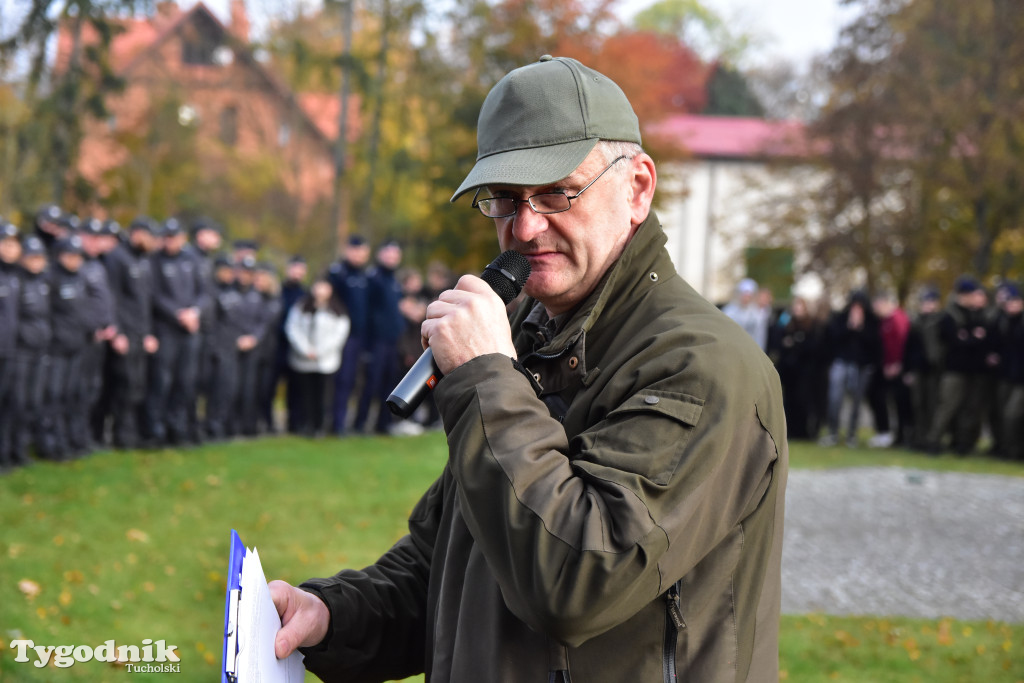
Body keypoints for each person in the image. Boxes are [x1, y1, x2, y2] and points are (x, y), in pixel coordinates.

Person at [270, 55, 788, 683]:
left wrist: (487, 377)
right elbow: (455, 564)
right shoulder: (527, 334)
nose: (525, 227)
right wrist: (330, 613)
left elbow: (576, 582)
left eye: (556, 194)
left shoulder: (702, 368)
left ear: (638, 188)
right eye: (504, 200)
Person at [144, 218, 207, 447]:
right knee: (161, 381)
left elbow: (203, 292)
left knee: (185, 381)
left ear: (183, 238)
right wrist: (178, 314)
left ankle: (177, 428)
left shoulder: (192, 260)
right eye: (166, 237)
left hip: (189, 331)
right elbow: (154, 295)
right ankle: (155, 430)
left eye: (174, 237)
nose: (170, 241)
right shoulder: (154, 261)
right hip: (166, 329)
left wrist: (194, 312)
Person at [102, 217, 159, 449]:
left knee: (137, 385)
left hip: (140, 333)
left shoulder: (144, 261)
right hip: (124, 334)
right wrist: (117, 332)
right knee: (123, 384)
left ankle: (131, 432)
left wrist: (148, 333)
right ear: (136, 233)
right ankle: (120, 435)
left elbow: (144, 302)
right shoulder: (117, 257)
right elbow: (111, 297)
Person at [284, 279, 350, 437]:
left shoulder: (336, 310)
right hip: (303, 360)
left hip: (325, 361)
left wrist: (320, 351)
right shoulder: (301, 307)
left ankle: (320, 426)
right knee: (305, 395)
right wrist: (305, 349)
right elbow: (292, 328)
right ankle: (305, 424)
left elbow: (339, 334)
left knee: (323, 396)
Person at [353, 239, 404, 435]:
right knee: (370, 384)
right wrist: (366, 345)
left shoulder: (395, 281)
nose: (392, 257)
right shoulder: (373, 278)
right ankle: (360, 424)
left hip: (393, 341)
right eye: (389, 253)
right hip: (376, 341)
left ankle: (383, 424)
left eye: (395, 254)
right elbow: (366, 312)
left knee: (388, 383)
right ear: (380, 255)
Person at [819, 290, 881, 448]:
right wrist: (849, 327)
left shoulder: (872, 321)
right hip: (841, 362)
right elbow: (832, 339)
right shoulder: (841, 318)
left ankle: (851, 434)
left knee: (856, 402)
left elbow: (874, 343)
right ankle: (833, 431)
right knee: (835, 398)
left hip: (862, 366)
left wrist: (860, 328)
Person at [326, 235, 371, 435]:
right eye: (355, 250)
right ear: (347, 250)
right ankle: (335, 424)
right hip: (340, 335)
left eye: (362, 251)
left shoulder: (365, 276)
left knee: (352, 380)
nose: (359, 254)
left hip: (359, 337)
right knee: (340, 380)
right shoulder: (337, 273)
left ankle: (343, 422)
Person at [866, 290, 912, 448]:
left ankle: (903, 435)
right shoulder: (884, 321)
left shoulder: (897, 319)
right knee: (876, 395)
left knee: (900, 402)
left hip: (897, 368)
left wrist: (897, 364)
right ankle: (886, 432)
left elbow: (901, 344)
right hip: (886, 367)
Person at [0, 220, 22, 470]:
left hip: (12, 351)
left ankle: (4, 454)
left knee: (9, 404)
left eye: (14, 244)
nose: (10, 249)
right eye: (5, 243)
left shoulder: (16, 275)